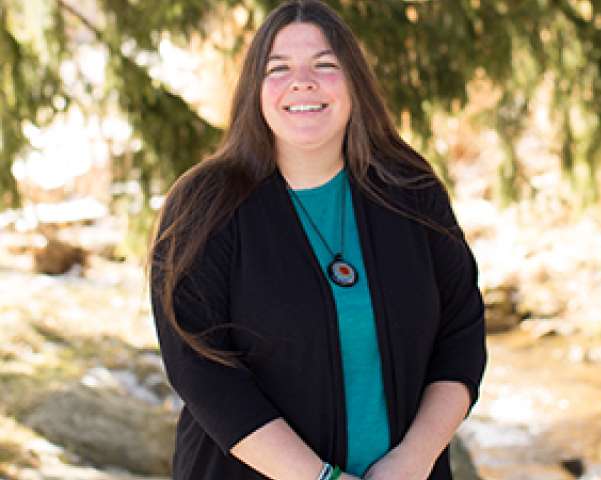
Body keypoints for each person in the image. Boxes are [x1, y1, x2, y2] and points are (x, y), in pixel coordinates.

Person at [147, 1, 487, 479]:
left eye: (325, 65)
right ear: (255, 91)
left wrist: (413, 460)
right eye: (278, 68)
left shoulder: (411, 190)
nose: (302, 81)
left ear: (354, 84)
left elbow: (462, 336)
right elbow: (200, 371)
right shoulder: (204, 205)